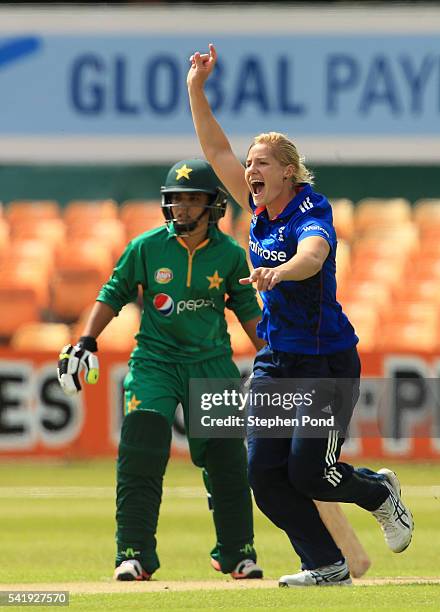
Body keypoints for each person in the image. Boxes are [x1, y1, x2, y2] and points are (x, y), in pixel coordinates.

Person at [186, 44, 414, 587]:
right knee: (263, 476)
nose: (249, 170)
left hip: (325, 361)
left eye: (261, 163)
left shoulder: (312, 208)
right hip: (277, 360)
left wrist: (279, 272)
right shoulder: (259, 205)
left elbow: (313, 257)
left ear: (288, 172)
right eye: (249, 164)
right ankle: (325, 564)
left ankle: (379, 492)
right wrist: (196, 88)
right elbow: (215, 148)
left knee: (311, 473)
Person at [57, 158, 266, 581]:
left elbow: (248, 313)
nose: (184, 209)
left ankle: (236, 553)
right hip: (154, 362)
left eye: (193, 200)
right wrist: (85, 340)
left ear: (214, 206)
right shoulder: (147, 247)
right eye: (177, 200)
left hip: (211, 364)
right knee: (143, 443)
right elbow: (113, 292)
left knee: (227, 457)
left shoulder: (229, 255)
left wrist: (276, 358)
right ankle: (132, 553)